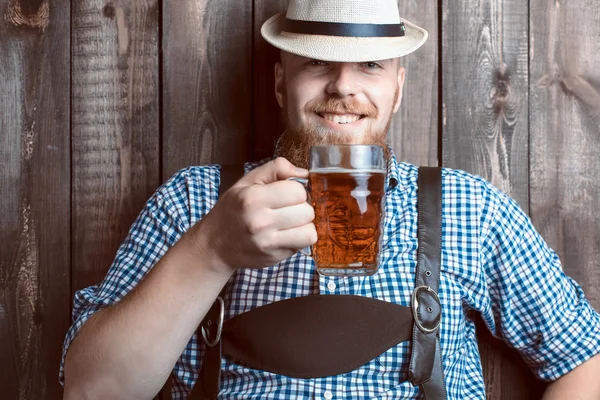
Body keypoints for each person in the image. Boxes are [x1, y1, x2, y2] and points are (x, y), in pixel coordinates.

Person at [61, 0, 600, 399]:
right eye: (317, 64)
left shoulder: (468, 208)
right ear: (280, 83)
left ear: (399, 88)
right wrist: (211, 250)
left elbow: (585, 359)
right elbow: (90, 390)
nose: (343, 87)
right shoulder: (193, 200)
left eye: (370, 66)